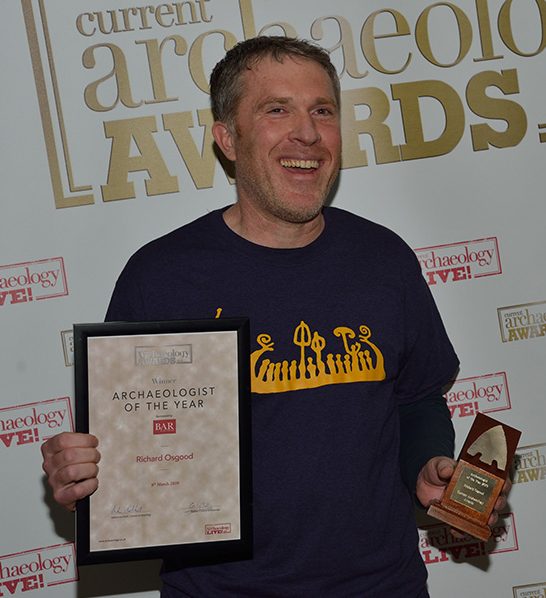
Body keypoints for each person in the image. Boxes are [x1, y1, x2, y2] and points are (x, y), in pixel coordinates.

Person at [42, 36, 508, 597]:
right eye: (276, 109)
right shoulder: (161, 277)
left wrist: (427, 465)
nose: (307, 133)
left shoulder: (385, 260)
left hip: (383, 587)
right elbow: (125, 448)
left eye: (322, 111)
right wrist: (83, 476)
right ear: (227, 138)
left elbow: (416, 397)